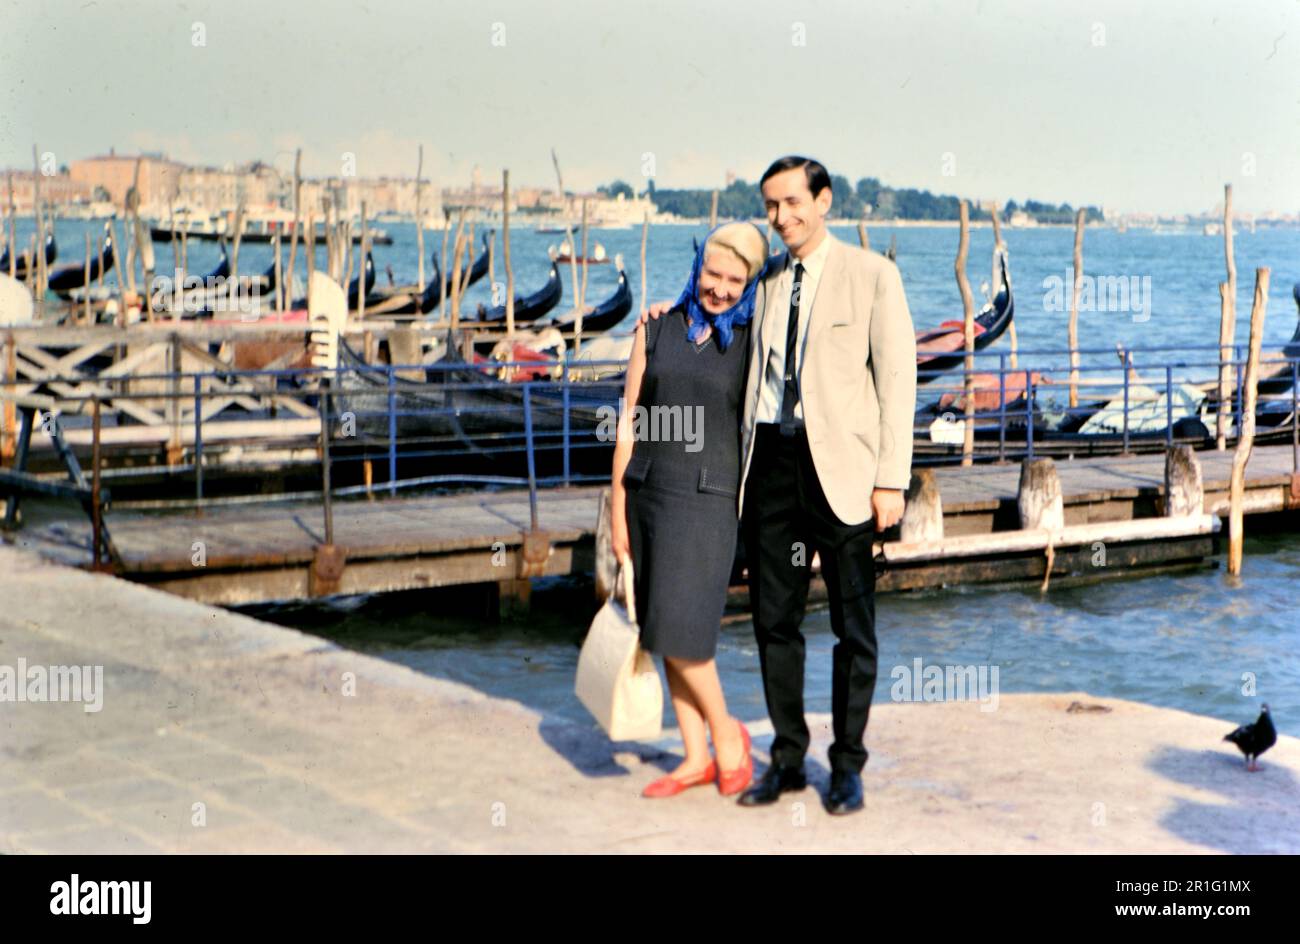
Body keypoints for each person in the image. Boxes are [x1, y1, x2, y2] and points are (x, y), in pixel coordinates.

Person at [644, 156, 917, 814]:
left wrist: (891, 480)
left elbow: (899, 381)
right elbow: (710, 311)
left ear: (824, 201)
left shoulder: (873, 276)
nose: (781, 217)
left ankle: (847, 767)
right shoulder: (763, 279)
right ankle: (787, 760)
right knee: (774, 623)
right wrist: (666, 311)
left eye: (793, 202)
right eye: (770, 205)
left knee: (855, 629)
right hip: (767, 463)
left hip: (844, 473)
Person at [610, 221, 770, 799]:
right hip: (648, 490)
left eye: (735, 279)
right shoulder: (655, 327)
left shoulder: (756, 340)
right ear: (696, 265)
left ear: (750, 283)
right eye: (712, 273)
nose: (721, 288)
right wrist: (616, 505)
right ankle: (696, 755)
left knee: (686, 633)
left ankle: (728, 738)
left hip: (708, 501)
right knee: (660, 630)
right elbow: (630, 419)